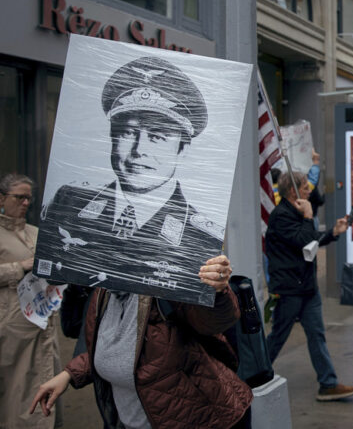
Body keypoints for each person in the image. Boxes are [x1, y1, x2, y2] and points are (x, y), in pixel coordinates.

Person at [37, 56, 225, 303]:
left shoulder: (201, 237)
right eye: (128, 133)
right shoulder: (69, 202)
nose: (139, 149)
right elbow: (51, 273)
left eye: (157, 136)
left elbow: (208, 322)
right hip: (91, 339)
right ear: (112, 138)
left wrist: (222, 292)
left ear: (183, 149)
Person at [29, 254, 252, 428]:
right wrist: (69, 374)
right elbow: (115, 347)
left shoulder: (164, 284)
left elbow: (214, 321)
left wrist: (217, 290)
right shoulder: (103, 292)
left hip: (200, 417)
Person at [264, 171, 353, 401]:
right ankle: (253, 376)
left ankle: (328, 383)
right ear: (293, 192)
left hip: (307, 287)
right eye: (306, 188)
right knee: (278, 335)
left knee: (317, 334)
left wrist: (333, 233)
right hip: (289, 289)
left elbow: (312, 241)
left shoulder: (296, 214)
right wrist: (308, 217)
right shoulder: (282, 216)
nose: (310, 191)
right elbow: (303, 240)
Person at [0, 174, 61, 429]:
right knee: (15, 393)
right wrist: (19, 267)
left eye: (29, 198)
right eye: (19, 197)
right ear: (2, 198)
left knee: (46, 382)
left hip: (44, 323)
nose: (25, 203)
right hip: (10, 327)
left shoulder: (36, 233)